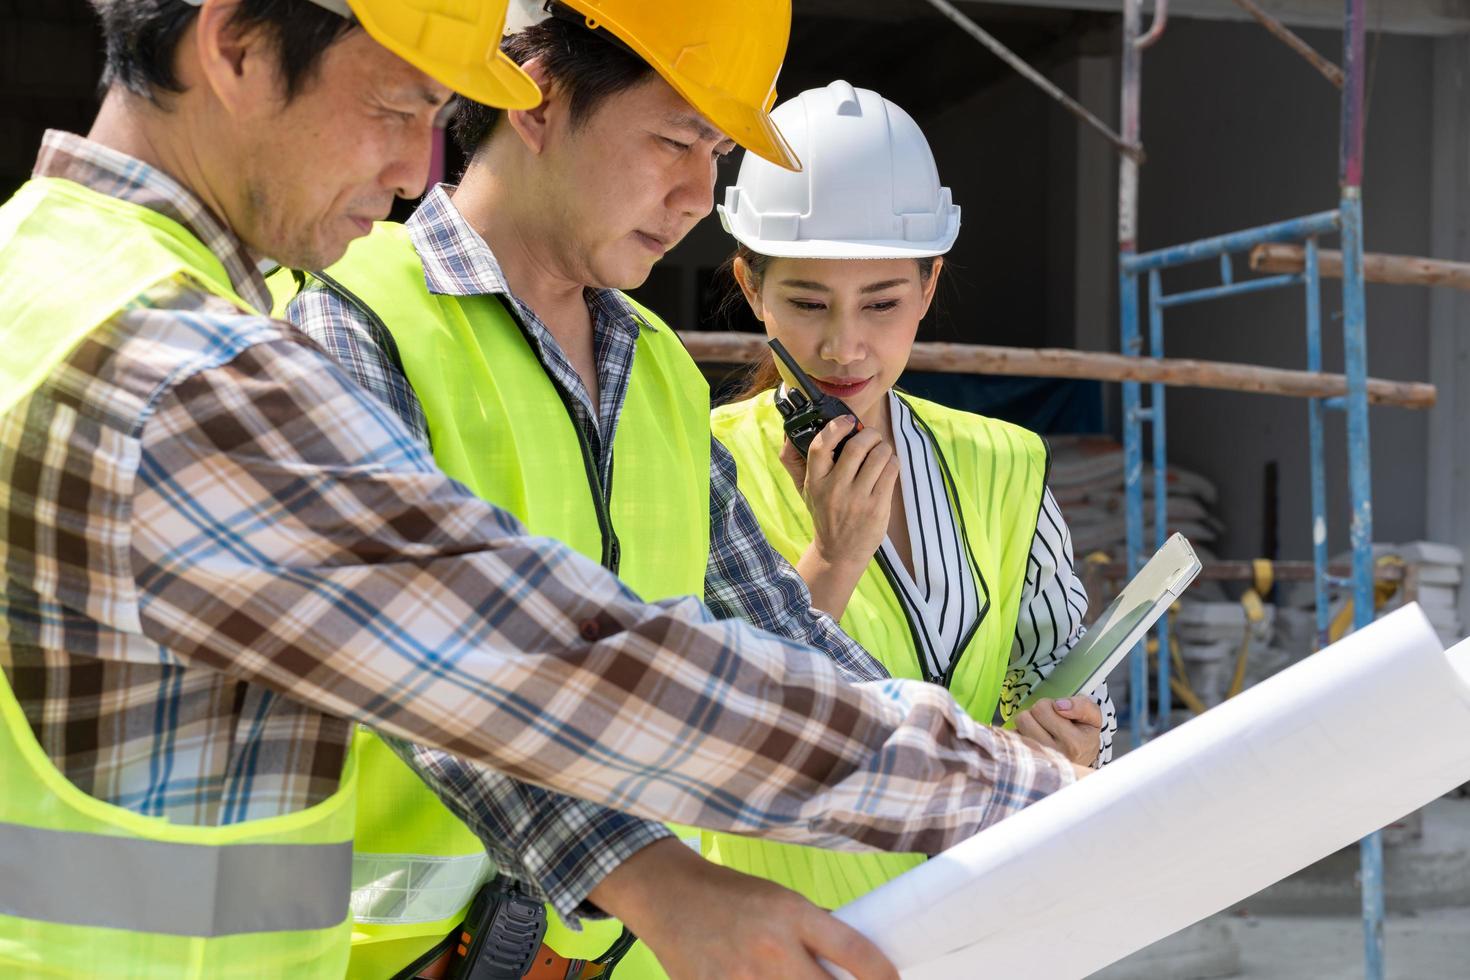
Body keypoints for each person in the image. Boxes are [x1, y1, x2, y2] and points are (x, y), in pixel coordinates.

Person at [0, 4, 1086, 979]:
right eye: (396, 106)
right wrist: (1009, 793)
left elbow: (757, 631)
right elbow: (538, 661)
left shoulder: (47, 277)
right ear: (235, 44)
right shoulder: (198, 364)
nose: (413, 166)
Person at [280, 6, 978, 977]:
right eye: (675, 140)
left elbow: (787, 650)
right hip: (384, 956)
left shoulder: (654, 372)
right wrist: (657, 881)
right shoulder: (349, 325)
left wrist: (998, 786)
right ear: (539, 97)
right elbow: (424, 674)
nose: (699, 192)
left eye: (718, 153)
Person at [704, 80, 1118, 912]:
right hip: (780, 933)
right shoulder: (697, 460)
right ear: (753, 289)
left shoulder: (1005, 460)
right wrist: (832, 558)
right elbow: (707, 731)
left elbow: (1049, 672)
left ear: (929, 289)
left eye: (883, 303)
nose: (844, 343)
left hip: (975, 920)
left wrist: (1075, 735)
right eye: (808, 302)